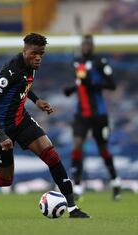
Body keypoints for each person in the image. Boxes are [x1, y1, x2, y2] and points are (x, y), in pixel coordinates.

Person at [0, 33, 91, 218]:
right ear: (24, 51)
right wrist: (1, 134)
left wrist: (36, 100)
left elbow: (24, 85)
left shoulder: (31, 65)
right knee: (5, 179)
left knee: (52, 156)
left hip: (20, 120)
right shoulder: (12, 70)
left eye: (41, 53)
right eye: (34, 53)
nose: (38, 57)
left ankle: (72, 208)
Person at [63, 34, 121, 201]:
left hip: (98, 114)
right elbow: (81, 82)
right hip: (81, 113)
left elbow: (112, 84)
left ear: (92, 45)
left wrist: (93, 84)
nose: (86, 46)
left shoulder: (99, 62)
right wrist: (71, 89)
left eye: (88, 44)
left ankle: (115, 182)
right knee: (77, 145)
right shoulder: (77, 62)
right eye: (84, 43)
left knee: (103, 149)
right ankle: (78, 186)